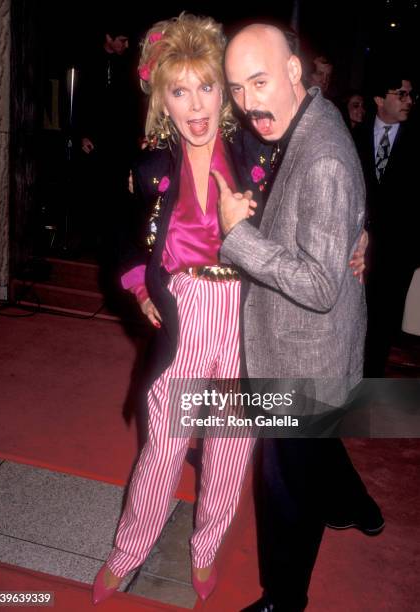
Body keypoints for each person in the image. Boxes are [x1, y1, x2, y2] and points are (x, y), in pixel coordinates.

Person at [92, 14, 367, 607]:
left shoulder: (261, 151)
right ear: (162, 97)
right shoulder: (149, 168)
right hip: (186, 311)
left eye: (208, 86)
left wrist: (359, 236)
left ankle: (205, 549)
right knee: (162, 446)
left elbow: (319, 200)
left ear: (225, 91)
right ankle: (128, 550)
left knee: (228, 450)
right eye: (180, 90)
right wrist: (141, 287)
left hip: (250, 314)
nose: (196, 105)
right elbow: (122, 238)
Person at [212, 24, 384, 611]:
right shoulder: (305, 120)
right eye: (236, 88)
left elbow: (315, 285)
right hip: (313, 351)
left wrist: (238, 237)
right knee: (312, 456)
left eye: (259, 82)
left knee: (283, 486)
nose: (249, 102)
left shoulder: (324, 155)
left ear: (293, 72)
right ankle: (355, 506)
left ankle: (283, 601)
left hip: (304, 358)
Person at [354, 69, 420, 377]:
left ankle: (370, 386)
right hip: (355, 253)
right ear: (380, 98)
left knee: (384, 326)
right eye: (401, 94)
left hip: (398, 253)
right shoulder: (353, 134)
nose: (409, 101)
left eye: (411, 95)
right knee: (353, 322)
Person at [75, 22, 140, 260]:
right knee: (94, 191)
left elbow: (134, 104)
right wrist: (80, 133)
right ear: (108, 36)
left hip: (121, 141)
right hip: (95, 141)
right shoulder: (89, 61)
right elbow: (78, 100)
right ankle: (90, 243)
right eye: (122, 39)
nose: (126, 44)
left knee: (120, 193)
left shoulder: (128, 65)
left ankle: (114, 245)